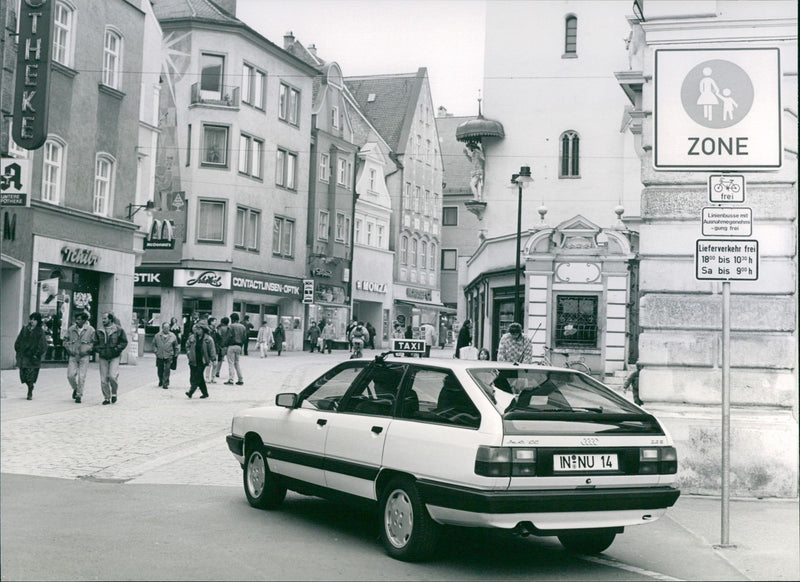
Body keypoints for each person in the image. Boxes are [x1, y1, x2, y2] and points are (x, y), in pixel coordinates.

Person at [93, 312, 128, 405]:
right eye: (102, 318)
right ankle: (106, 398)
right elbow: (94, 343)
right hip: (103, 356)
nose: (103, 320)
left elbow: (124, 342)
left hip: (115, 356)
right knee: (103, 379)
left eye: (105, 318)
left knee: (112, 376)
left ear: (110, 319)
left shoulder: (119, 330)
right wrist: (99, 350)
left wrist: (117, 349)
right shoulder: (99, 330)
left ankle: (114, 393)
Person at [14, 312, 48, 400]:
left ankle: (30, 390)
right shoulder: (25, 329)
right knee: (23, 375)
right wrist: (18, 348)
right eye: (31, 319)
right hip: (24, 356)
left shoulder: (40, 331)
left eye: (34, 320)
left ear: (38, 321)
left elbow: (43, 344)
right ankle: (30, 386)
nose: (32, 321)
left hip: (33, 357)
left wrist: (37, 354)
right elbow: (19, 339)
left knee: (31, 375)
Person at [64, 310, 95, 403]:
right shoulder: (71, 329)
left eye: (79, 319)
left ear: (84, 320)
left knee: (82, 377)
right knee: (70, 376)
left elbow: (94, 343)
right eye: (76, 319)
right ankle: (76, 388)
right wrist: (69, 349)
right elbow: (65, 340)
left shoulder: (91, 330)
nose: (76, 321)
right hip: (73, 355)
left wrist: (88, 350)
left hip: (84, 356)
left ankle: (79, 395)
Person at [185, 323, 216, 399]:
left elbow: (212, 350)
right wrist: (189, 353)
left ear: (203, 330)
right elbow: (187, 345)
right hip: (193, 360)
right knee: (195, 376)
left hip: (202, 361)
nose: (197, 331)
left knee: (197, 376)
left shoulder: (208, 339)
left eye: (199, 329)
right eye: (196, 329)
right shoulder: (192, 337)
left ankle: (191, 391)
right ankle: (205, 393)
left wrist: (213, 359)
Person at [153, 321, 179, 390]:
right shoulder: (157, 335)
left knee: (167, 369)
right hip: (160, 355)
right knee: (160, 369)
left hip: (169, 355)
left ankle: (166, 383)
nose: (166, 329)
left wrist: (176, 354)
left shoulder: (173, 336)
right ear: (162, 328)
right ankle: (161, 380)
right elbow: (154, 345)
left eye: (168, 328)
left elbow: (176, 346)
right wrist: (156, 352)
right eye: (165, 328)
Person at [225, 313, 246, 385]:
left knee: (231, 363)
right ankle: (240, 379)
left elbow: (228, 337)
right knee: (237, 363)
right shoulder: (243, 327)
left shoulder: (231, 326)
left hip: (231, 346)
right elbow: (244, 338)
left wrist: (225, 345)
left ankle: (231, 380)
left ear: (232, 319)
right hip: (239, 346)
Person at [213, 317, 229, 381]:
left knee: (216, 358)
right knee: (221, 359)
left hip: (219, 345)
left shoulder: (219, 328)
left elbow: (218, 336)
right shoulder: (229, 328)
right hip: (225, 345)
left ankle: (215, 371)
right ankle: (218, 371)